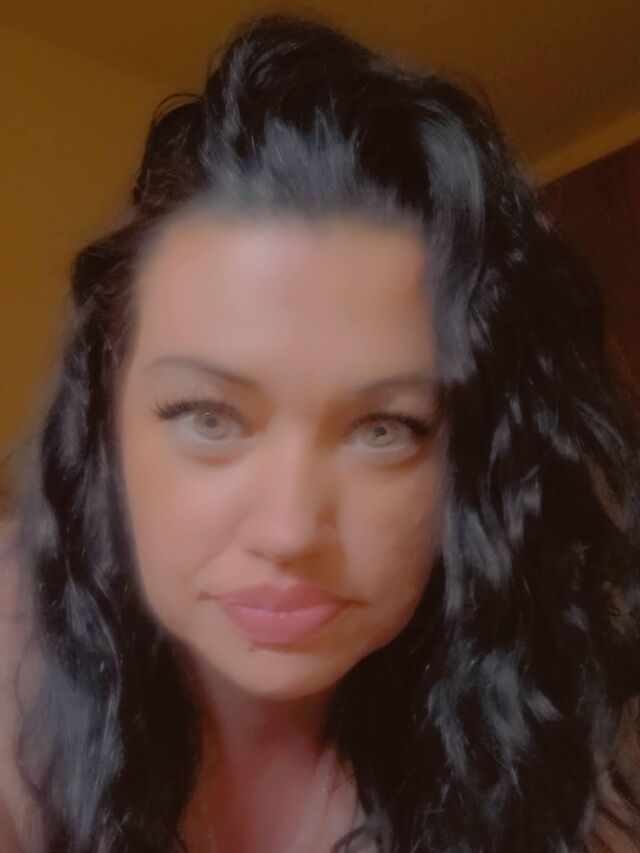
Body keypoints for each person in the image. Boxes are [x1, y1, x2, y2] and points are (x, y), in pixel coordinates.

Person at [1, 12, 639, 853]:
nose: (290, 530)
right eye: (209, 417)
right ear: (106, 429)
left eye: (384, 427)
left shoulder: (542, 732)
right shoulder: (16, 653)